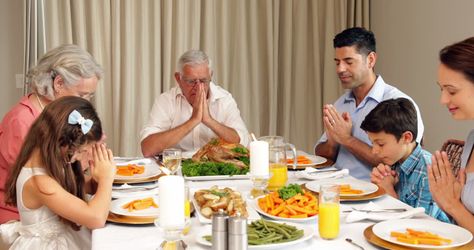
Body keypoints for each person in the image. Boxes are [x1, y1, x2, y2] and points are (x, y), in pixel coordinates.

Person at [0, 44, 103, 223]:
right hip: (22, 218)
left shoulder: (61, 118)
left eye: (90, 96)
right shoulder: (21, 121)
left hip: (53, 203)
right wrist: (82, 160)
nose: (86, 102)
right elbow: (45, 181)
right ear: (59, 84)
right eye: (83, 94)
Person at [1, 96, 114, 249]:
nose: (80, 157)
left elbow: (78, 187)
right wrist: (106, 178)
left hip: (65, 237)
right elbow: (96, 218)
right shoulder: (39, 182)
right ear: (62, 142)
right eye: (81, 151)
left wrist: (98, 177)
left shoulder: (52, 162)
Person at [314, 27, 424, 181]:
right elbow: (321, 155)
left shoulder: (399, 104)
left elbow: (403, 166)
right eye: (337, 62)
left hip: (374, 196)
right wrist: (333, 141)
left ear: (371, 60)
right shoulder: (340, 104)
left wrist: (347, 140)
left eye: (348, 61)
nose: (340, 69)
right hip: (333, 187)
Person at [140, 49, 249, 156]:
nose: (198, 88)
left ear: (211, 76)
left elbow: (243, 143)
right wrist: (193, 121)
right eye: (191, 81)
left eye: (203, 81)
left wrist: (209, 121)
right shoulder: (165, 101)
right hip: (177, 168)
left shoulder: (224, 100)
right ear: (178, 78)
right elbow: (147, 149)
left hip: (215, 167)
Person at [362, 98, 450, 222]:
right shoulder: (394, 161)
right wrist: (380, 185)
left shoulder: (428, 172)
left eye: (381, 144)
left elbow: (422, 225)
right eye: (373, 144)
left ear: (406, 137)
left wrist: (388, 190)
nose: (374, 151)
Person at [428, 37, 474, 232]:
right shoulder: (472, 139)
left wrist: (453, 205)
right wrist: (450, 202)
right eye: (441, 89)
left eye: (451, 91)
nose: (443, 100)